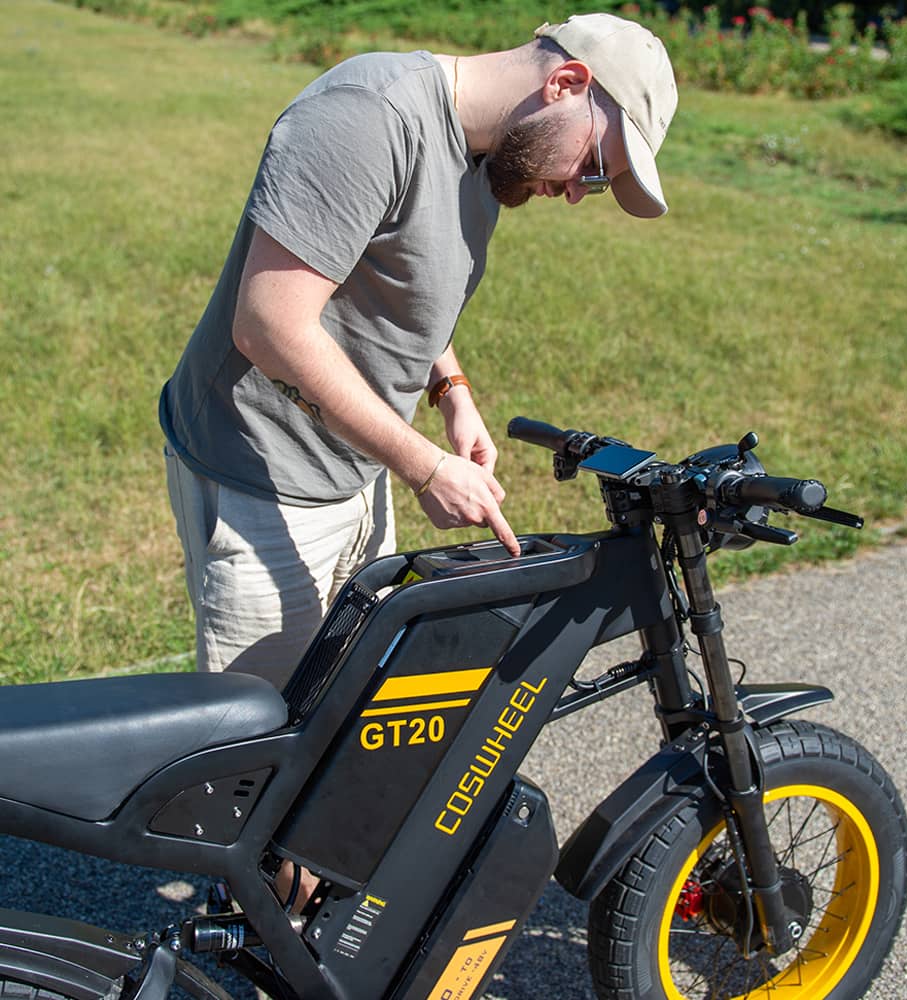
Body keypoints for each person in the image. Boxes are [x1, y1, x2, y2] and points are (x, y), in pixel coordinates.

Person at [160, 12, 678, 691]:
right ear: (566, 83)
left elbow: (401, 281)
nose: (579, 192)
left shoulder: (490, 156)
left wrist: (450, 390)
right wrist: (425, 468)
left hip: (358, 467)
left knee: (338, 708)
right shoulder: (368, 118)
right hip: (259, 475)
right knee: (259, 735)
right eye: (597, 166)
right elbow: (267, 325)